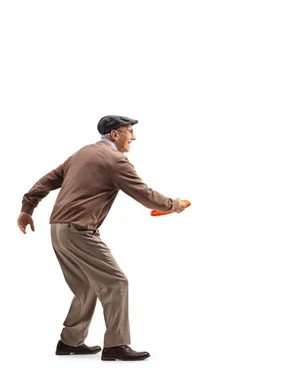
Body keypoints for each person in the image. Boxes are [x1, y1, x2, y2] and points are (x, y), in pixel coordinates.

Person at [17, 115, 188, 361]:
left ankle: (70, 342)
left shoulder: (82, 153)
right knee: (116, 282)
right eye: (130, 131)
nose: (134, 137)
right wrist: (174, 205)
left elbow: (47, 180)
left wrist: (27, 208)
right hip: (79, 230)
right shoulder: (116, 161)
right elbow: (145, 195)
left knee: (86, 286)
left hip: (58, 228)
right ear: (115, 134)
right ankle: (116, 346)